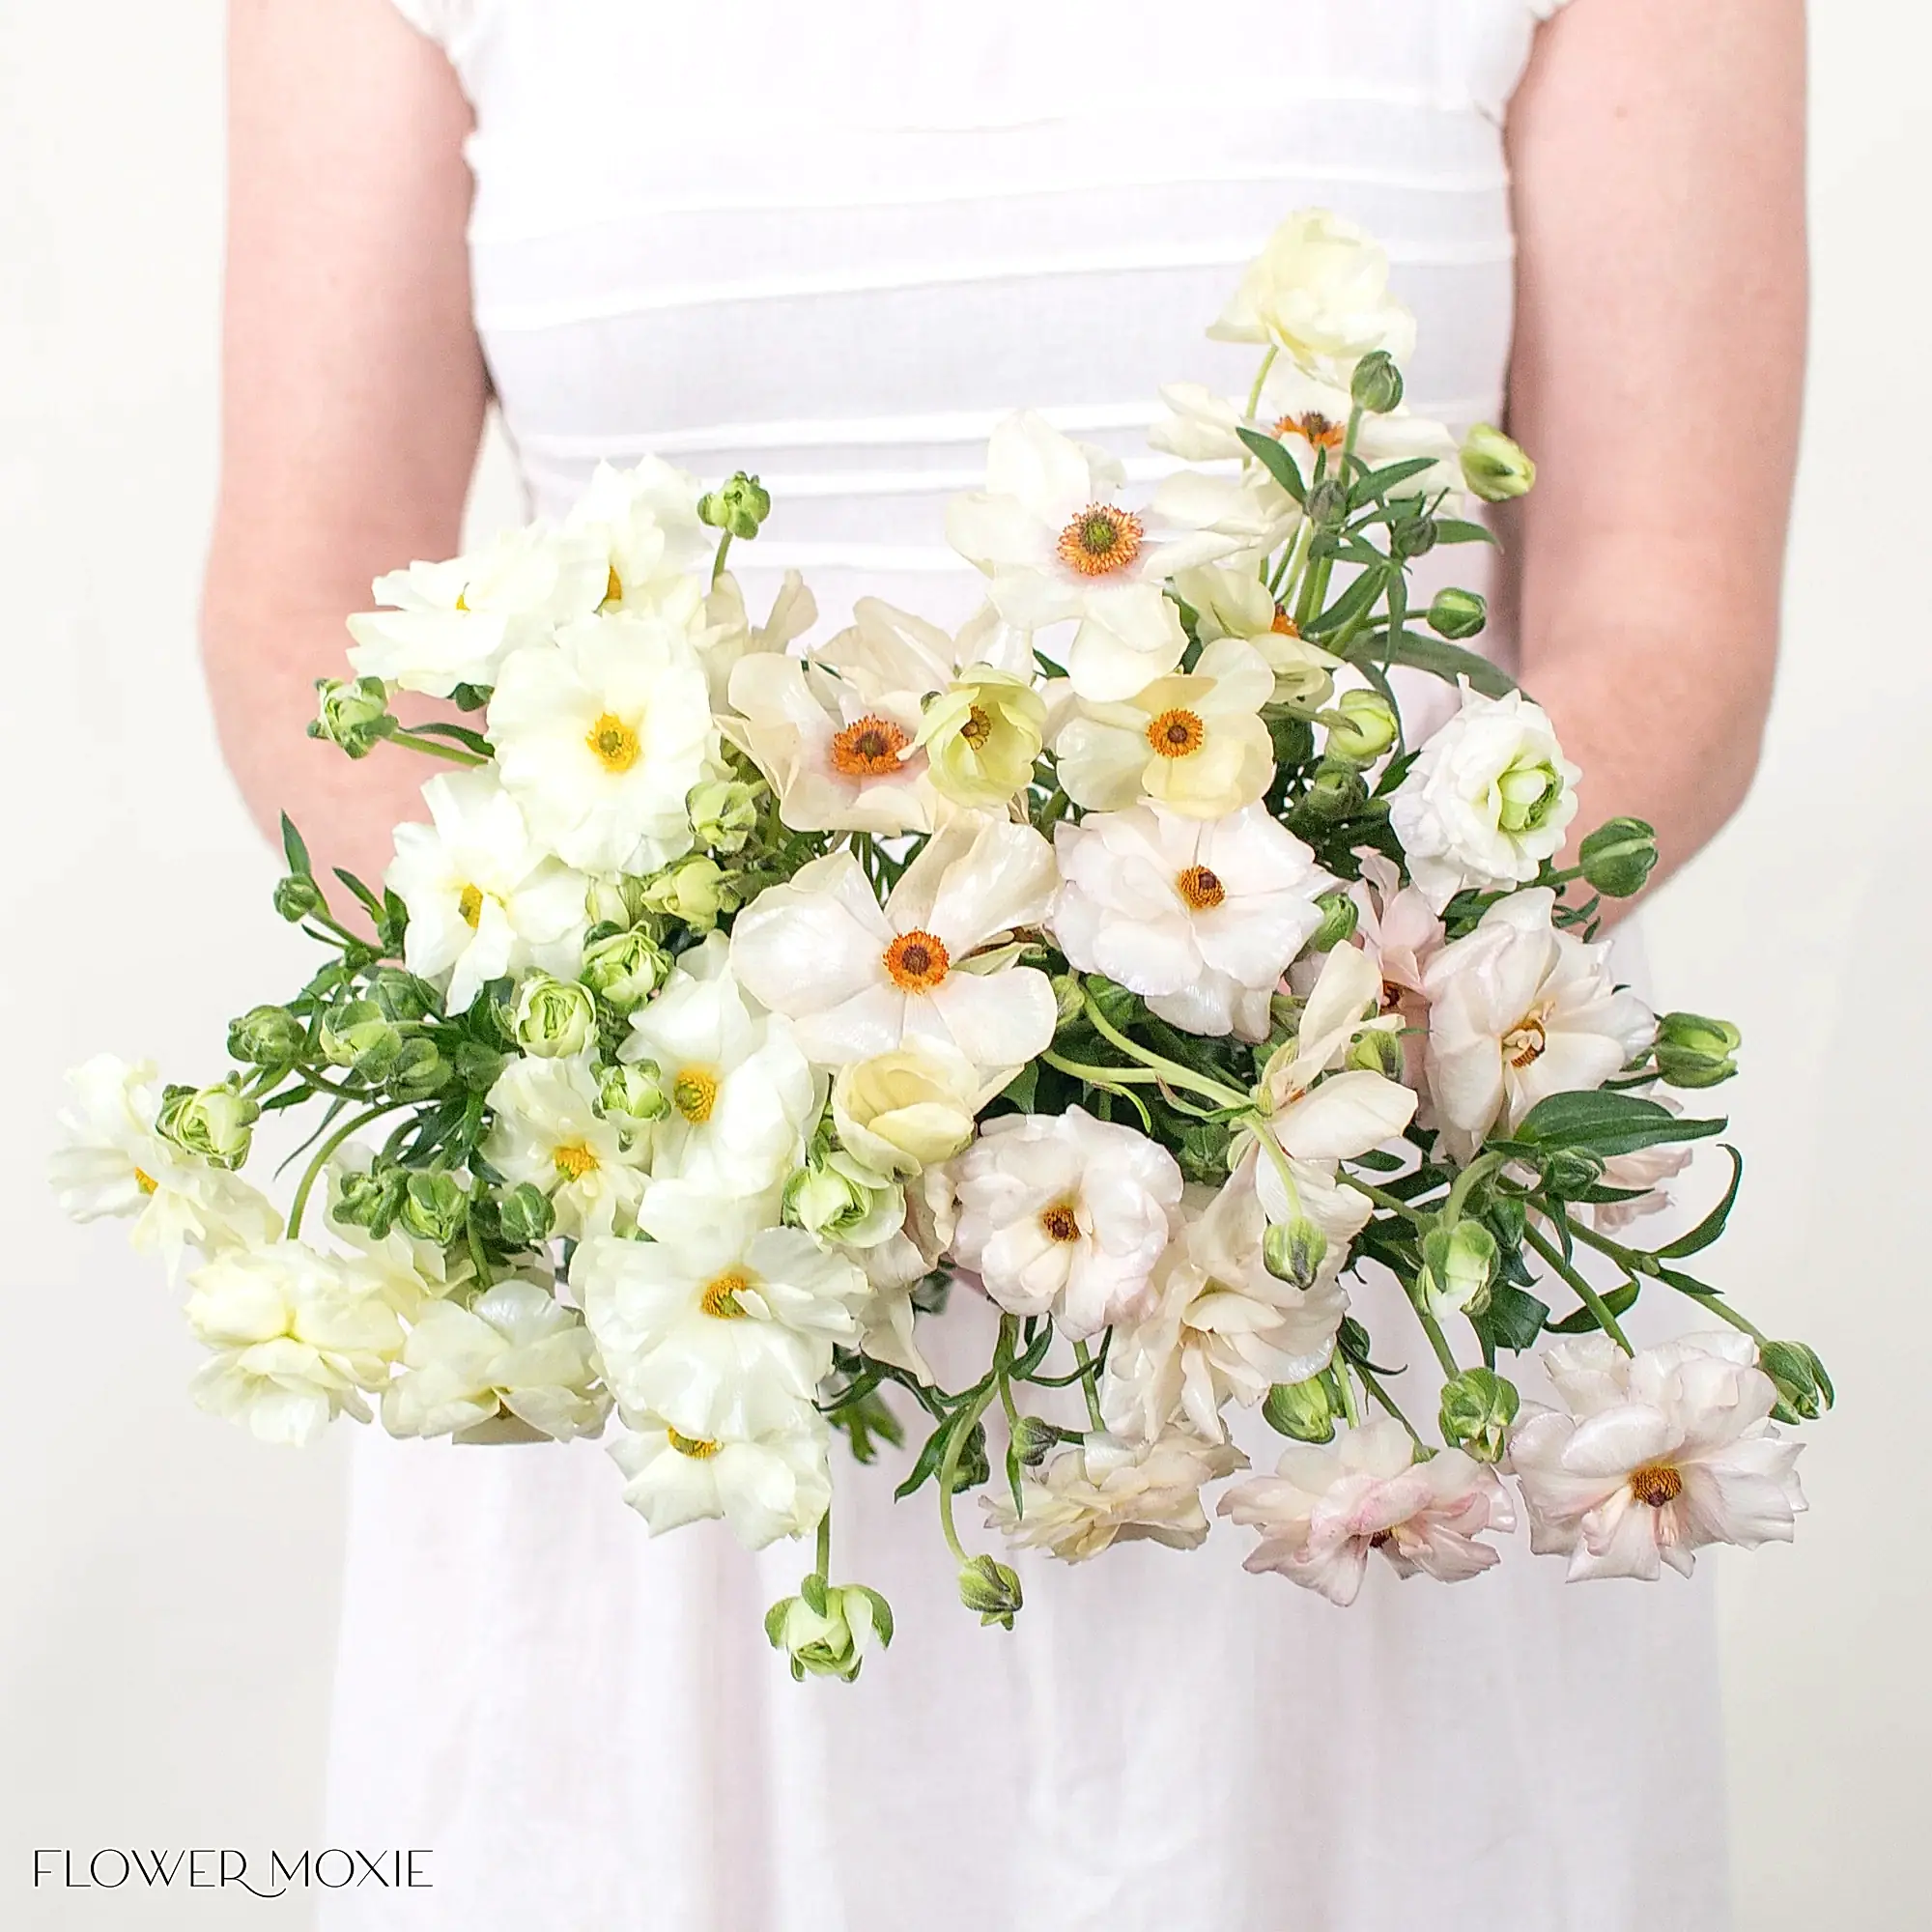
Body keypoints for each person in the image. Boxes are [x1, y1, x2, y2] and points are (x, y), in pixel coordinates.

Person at [202, 3, 1804, 1926]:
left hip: (1319, 1307)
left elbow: (1662, 620)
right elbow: (313, 612)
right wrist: (693, 1028)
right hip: (696, 1306)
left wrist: (1264, 1025)